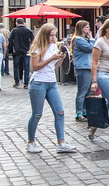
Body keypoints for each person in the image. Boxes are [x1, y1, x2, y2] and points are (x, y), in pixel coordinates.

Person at [24, 23, 76, 154]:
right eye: (51, 35)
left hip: (51, 82)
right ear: (44, 35)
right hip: (38, 83)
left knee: (60, 112)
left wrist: (60, 59)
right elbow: (35, 66)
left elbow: (55, 66)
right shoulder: (37, 47)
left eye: (54, 35)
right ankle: (31, 141)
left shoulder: (54, 47)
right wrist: (51, 58)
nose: (53, 38)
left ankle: (61, 142)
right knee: (37, 114)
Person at [70, 20, 95, 121]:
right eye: (86, 27)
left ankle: (85, 111)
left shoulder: (85, 39)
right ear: (81, 28)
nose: (88, 29)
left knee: (89, 91)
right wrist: (92, 38)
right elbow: (90, 48)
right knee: (82, 91)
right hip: (82, 67)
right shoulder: (78, 39)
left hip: (88, 66)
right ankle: (78, 112)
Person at [9, 20, 33, 88]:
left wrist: (10, 50)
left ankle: (17, 81)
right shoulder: (28, 30)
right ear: (23, 23)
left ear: (17, 23)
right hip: (26, 51)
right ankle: (26, 83)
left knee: (16, 66)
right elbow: (32, 39)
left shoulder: (14, 30)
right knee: (26, 67)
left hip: (17, 51)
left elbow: (10, 40)